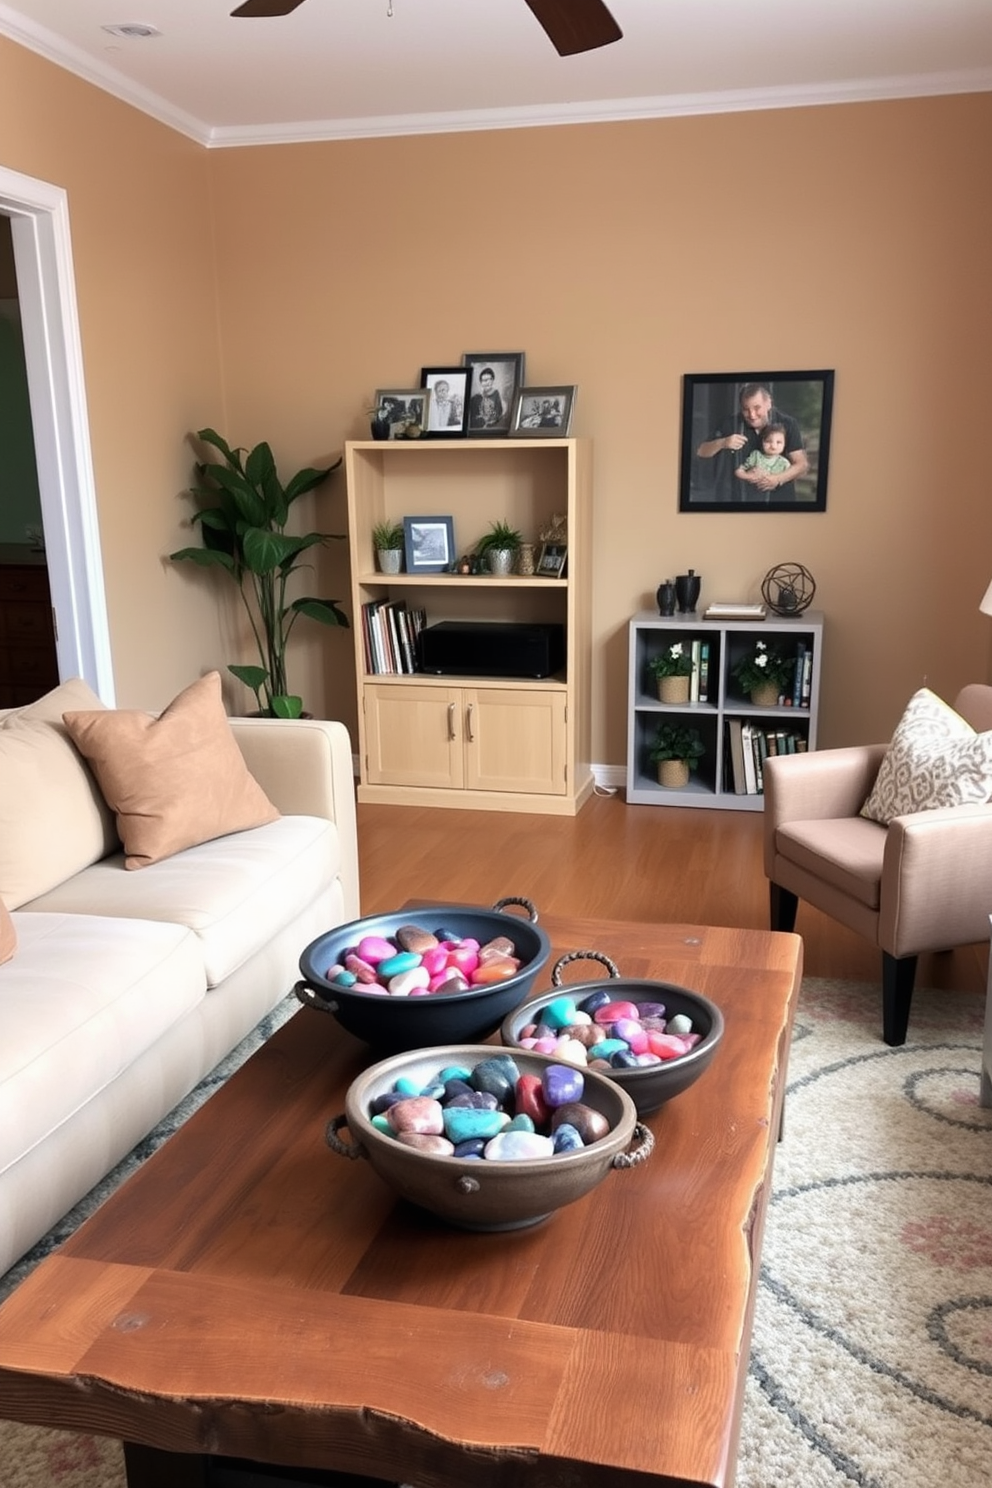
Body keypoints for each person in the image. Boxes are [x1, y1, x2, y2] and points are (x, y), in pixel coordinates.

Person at [696, 382, 809, 501]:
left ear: (769, 403)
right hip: (740, 502)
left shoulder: (787, 424)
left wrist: (777, 479)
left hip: (779, 503)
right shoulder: (731, 424)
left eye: (757, 408)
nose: (752, 415)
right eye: (746, 409)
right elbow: (701, 451)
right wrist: (723, 443)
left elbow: (801, 465)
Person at [736, 422, 791, 486]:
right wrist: (749, 476)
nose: (773, 446)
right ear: (762, 442)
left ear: (784, 444)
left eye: (778, 442)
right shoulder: (756, 456)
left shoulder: (784, 463)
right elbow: (739, 471)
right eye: (768, 441)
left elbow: (787, 483)